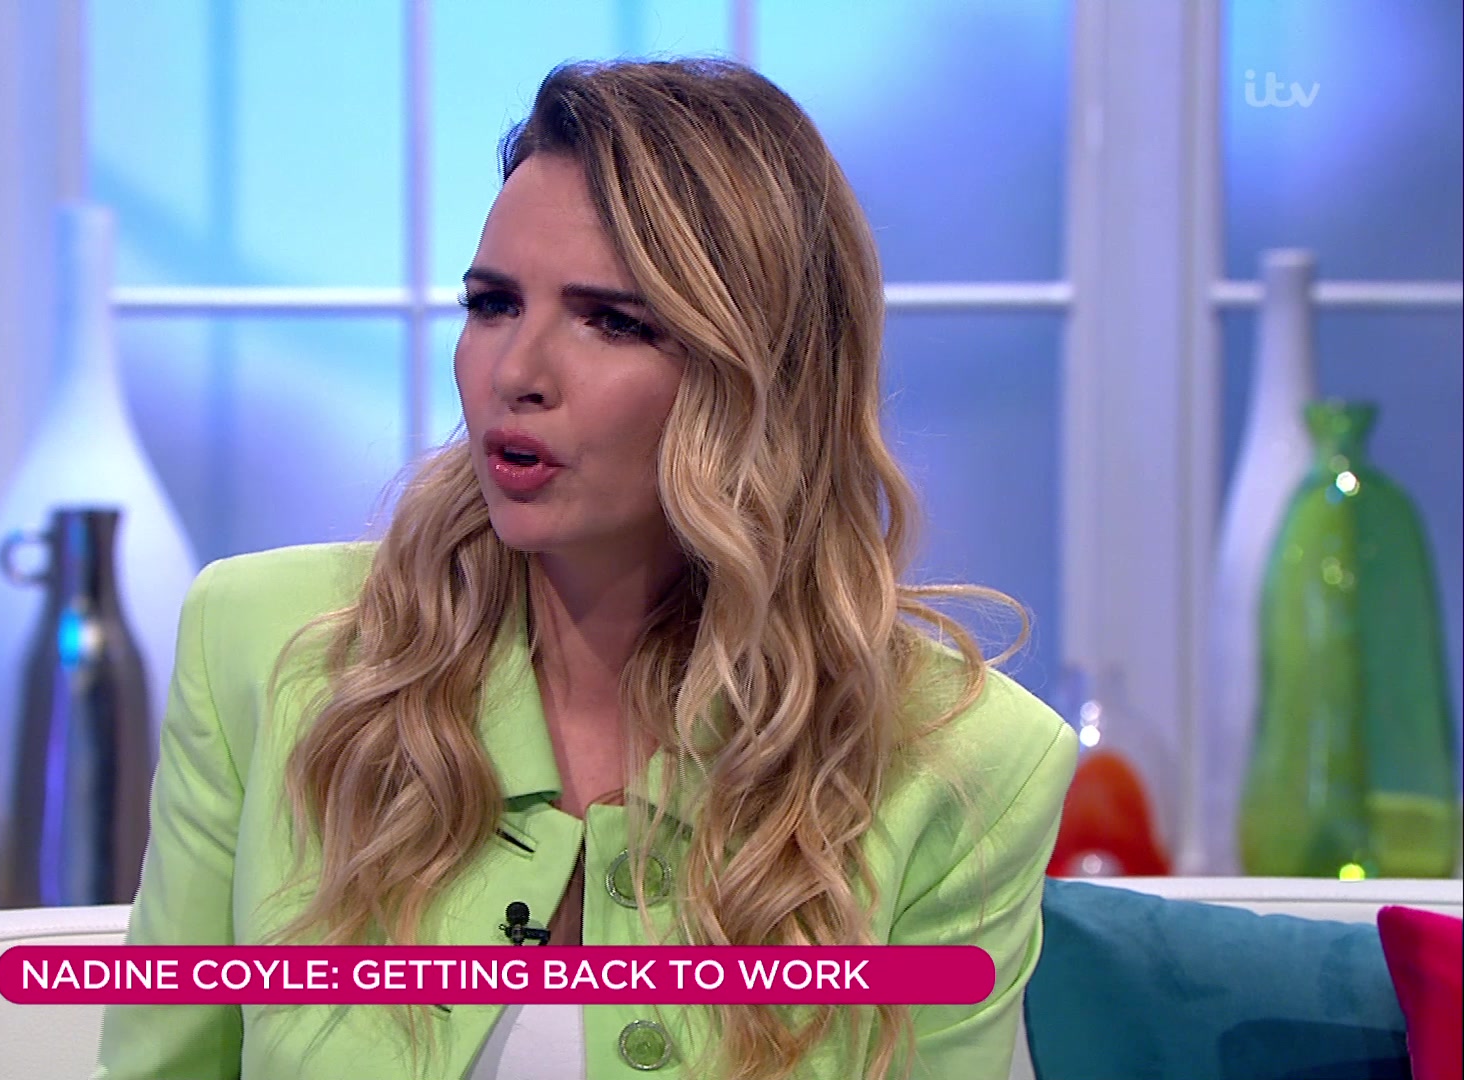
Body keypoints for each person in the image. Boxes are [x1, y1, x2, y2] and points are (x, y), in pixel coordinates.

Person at [96, 57, 1075, 1080]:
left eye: (612, 320)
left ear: (763, 377)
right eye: (493, 304)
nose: (516, 373)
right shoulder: (267, 650)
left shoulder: (963, 764)